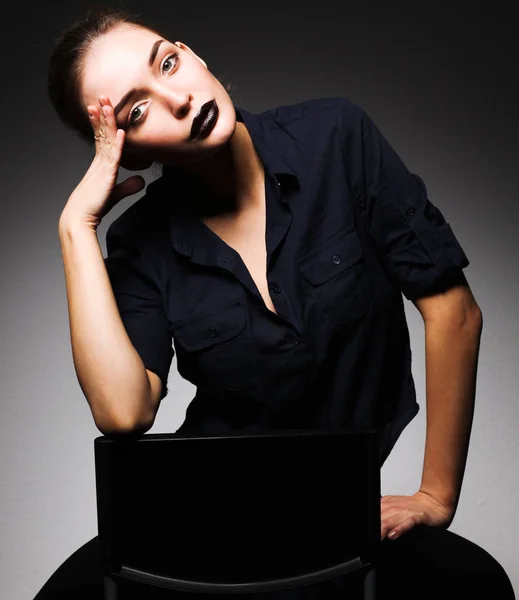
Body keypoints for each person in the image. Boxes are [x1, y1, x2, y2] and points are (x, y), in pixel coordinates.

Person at [37, 5, 515, 600]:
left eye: (168, 62)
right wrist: (76, 227)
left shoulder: (337, 139)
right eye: (138, 110)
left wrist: (436, 494)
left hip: (341, 514)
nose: (178, 98)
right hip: (203, 517)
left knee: (478, 587)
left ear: (193, 54)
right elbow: (124, 412)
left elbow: (453, 310)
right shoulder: (140, 240)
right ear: (126, 152)